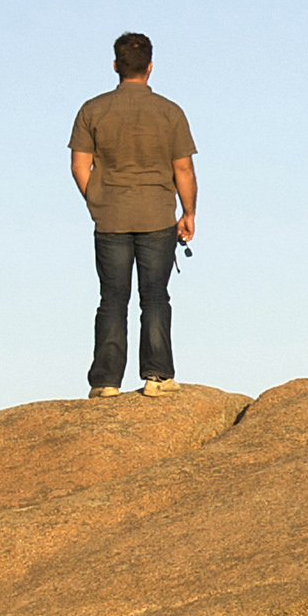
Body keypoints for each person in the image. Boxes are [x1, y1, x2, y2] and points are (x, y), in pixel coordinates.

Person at [68, 31, 198, 399]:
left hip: (110, 217)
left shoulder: (92, 110)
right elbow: (183, 169)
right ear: (150, 68)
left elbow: (80, 164)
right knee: (155, 296)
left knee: (112, 298)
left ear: (116, 66)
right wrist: (188, 213)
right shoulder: (170, 112)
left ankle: (106, 382)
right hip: (157, 215)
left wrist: (96, 198)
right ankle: (157, 376)